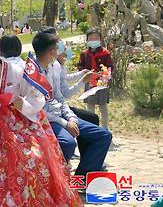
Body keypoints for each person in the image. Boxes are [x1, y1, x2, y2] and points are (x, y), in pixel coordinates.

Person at [0, 35, 81, 206]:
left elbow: (38, 98)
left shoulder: (18, 70)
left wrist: (23, 103)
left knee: (31, 157)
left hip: (23, 119)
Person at [34, 31, 112, 178]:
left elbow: (59, 96)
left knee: (103, 135)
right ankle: (56, 177)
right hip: (48, 118)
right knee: (68, 143)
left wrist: (71, 117)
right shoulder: (33, 74)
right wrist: (65, 123)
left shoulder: (53, 67)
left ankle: (82, 176)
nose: (61, 51)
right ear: (51, 52)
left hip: (60, 112)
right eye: (58, 48)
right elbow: (39, 109)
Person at [38, 26, 99, 126]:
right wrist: (82, 81)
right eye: (58, 40)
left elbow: (64, 81)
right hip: (53, 112)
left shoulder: (56, 64)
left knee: (93, 121)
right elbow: (65, 93)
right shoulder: (44, 67)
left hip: (60, 107)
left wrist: (81, 74)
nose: (61, 42)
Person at [78, 28, 113, 129]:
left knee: (103, 106)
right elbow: (80, 66)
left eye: (96, 38)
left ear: (100, 39)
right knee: (90, 105)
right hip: (89, 82)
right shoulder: (84, 54)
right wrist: (85, 72)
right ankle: (92, 128)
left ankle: (105, 128)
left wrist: (106, 74)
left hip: (102, 83)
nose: (94, 40)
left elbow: (110, 67)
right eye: (91, 38)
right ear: (87, 40)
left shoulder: (105, 53)